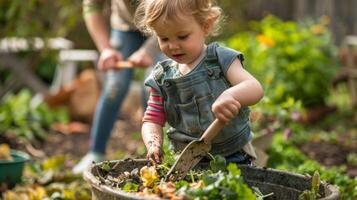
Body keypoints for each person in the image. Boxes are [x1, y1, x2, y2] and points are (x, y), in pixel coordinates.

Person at [135, 0, 264, 165]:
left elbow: (255, 88)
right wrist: (153, 143)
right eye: (164, 38)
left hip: (232, 155)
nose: (173, 46)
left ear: (205, 26)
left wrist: (231, 95)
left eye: (182, 36)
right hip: (185, 161)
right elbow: (152, 119)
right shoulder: (162, 77)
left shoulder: (220, 59)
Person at [72, 0, 161, 174]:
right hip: (124, 26)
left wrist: (148, 51)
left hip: (166, 18)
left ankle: (155, 156)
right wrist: (105, 48)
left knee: (154, 86)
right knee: (115, 86)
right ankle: (95, 153)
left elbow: (180, 10)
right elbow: (92, 6)